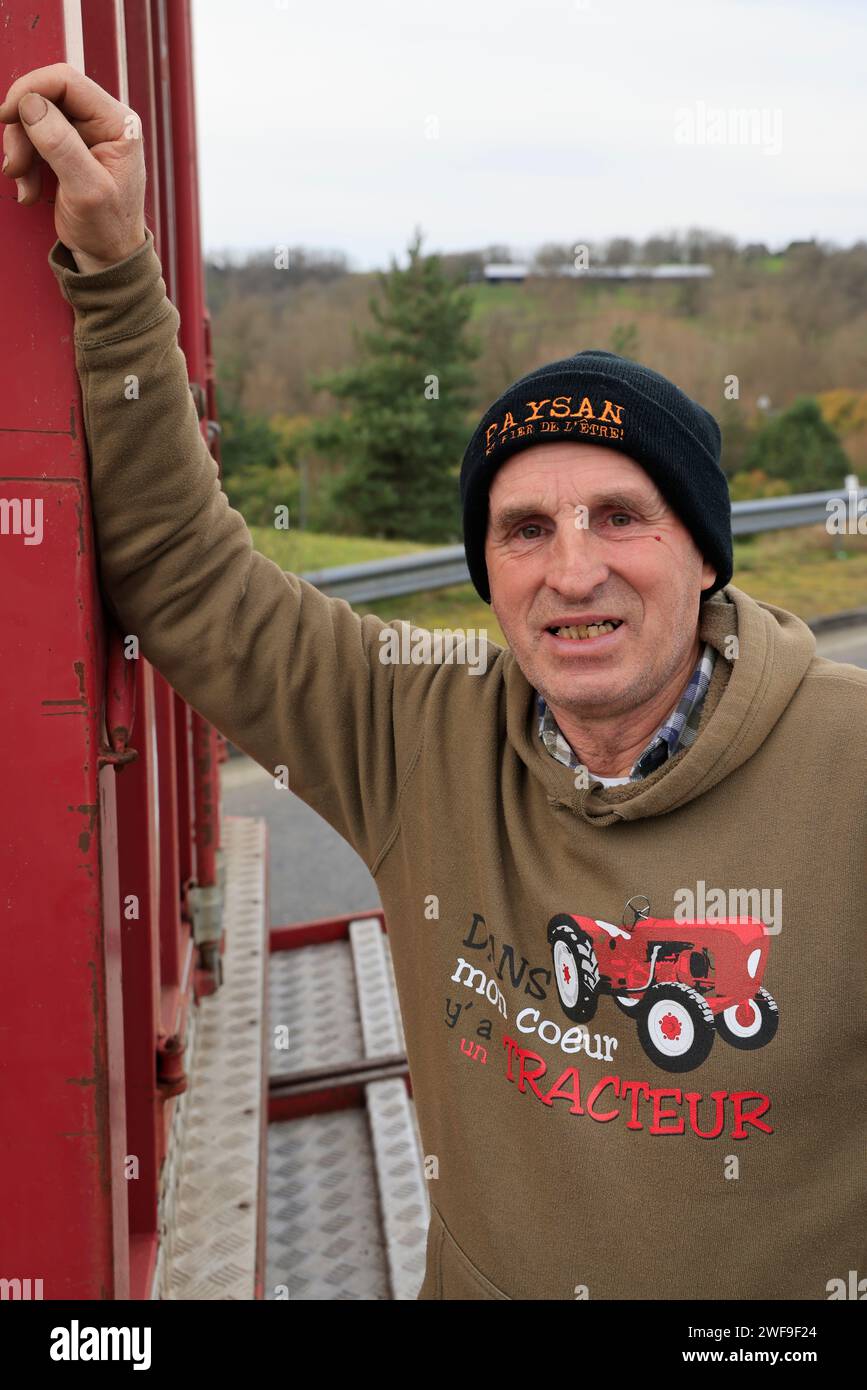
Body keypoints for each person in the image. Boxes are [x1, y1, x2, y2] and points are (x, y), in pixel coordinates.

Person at [3, 64, 865, 1302]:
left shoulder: (849, 762)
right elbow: (187, 575)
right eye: (524, 531)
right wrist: (114, 260)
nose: (574, 572)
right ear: (488, 574)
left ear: (701, 550)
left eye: (620, 516)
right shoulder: (420, 725)